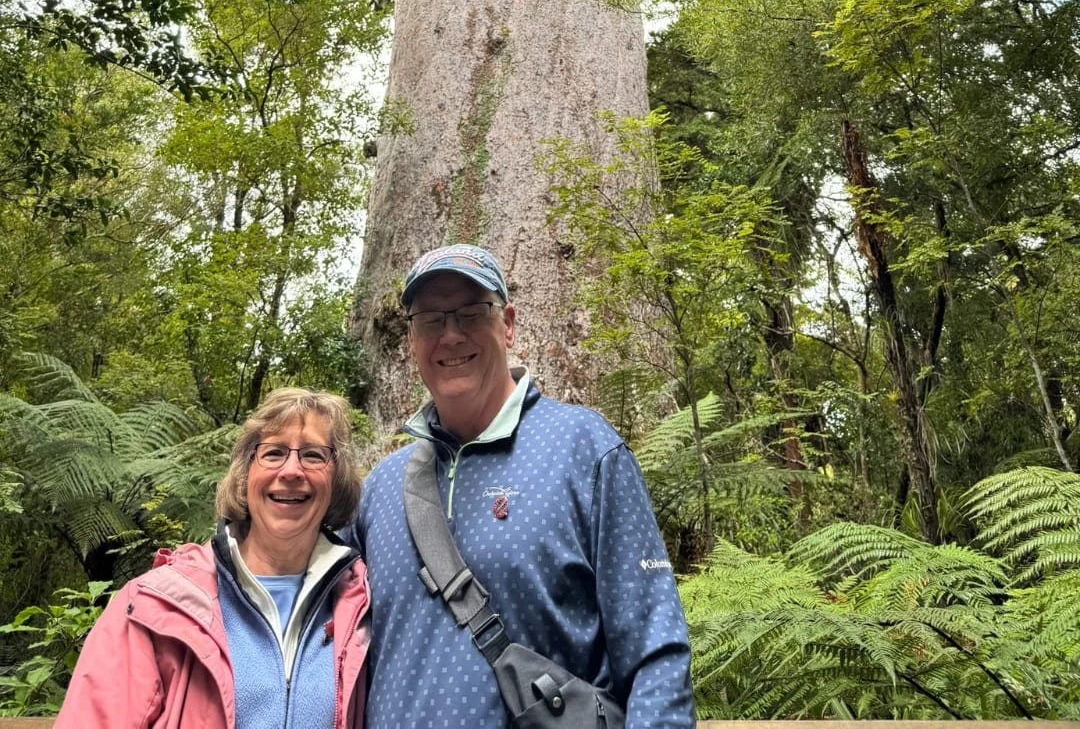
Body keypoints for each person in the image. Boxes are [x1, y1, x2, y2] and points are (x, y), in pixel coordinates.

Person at [356, 243, 695, 727]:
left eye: (472, 313)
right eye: (430, 319)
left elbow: (656, 650)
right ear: (411, 340)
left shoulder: (583, 449)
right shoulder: (382, 487)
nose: (450, 335)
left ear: (508, 324)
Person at [56, 387, 370, 729]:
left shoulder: (359, 605)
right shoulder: (154, 607)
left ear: (335, 478)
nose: (292, 470)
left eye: (312, 455)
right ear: (245, 471)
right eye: (274, 452)